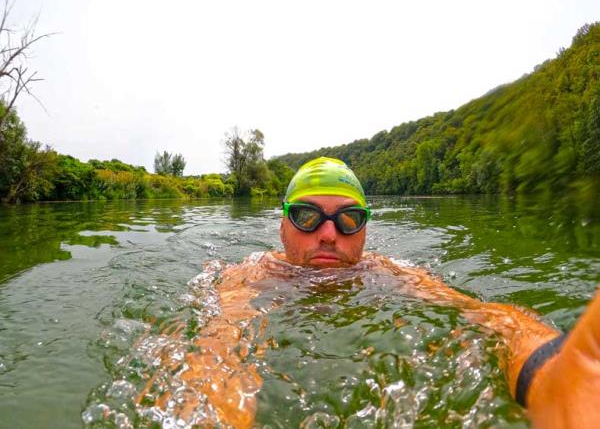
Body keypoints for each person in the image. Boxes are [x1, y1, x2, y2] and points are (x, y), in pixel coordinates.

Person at [139, 157, 600, 429]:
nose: (326, 235)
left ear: (363, 232)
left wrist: (551, 372)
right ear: (281, 226)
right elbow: (223, 338)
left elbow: (484, 315)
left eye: (347, 220)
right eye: (306, 216)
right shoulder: (250, 273)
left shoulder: (388, 270)